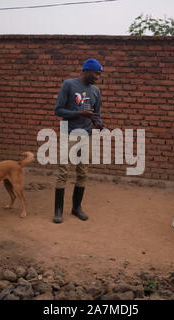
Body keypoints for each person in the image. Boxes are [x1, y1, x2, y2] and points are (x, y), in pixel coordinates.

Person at [53, 58, 105, 223]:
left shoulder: (96, 91)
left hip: (86, 134)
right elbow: (58, 110)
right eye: (96, 73)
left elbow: (97, 115)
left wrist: (98, 124)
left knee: (83, 171)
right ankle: (58, 211)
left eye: (99, 74)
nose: (98, 77)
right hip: (68, 132)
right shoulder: (69, 85)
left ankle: (76, 208)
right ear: (86, 70)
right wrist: (79, 114)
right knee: (64, 170)